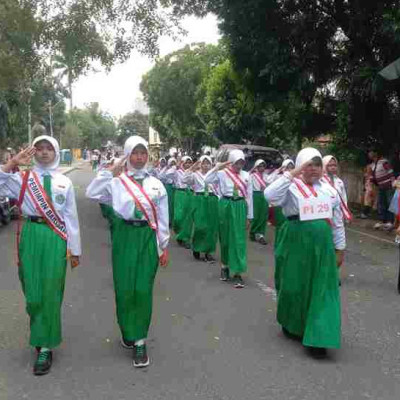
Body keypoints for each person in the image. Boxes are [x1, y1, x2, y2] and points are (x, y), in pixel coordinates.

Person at [0, 135, 81, 375]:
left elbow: (71, 218)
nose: (44, 153)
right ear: (33, 152)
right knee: (33, 292)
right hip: (30, 235)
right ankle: (39, 327)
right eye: (40, 149)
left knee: (50, 290)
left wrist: (75, 250)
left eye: (49, 149)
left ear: (56, 152)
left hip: (55, 237)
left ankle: (45, 346)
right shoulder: (22, 178)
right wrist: (11, 163)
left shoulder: (63, 183)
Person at [86, 136, 169, 368]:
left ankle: (140, 340)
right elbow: (92, 193)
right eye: (135, 153)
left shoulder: (156, 184)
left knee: (142, 289)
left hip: (146, 237)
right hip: (124, 236)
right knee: (124, 288)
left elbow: (163, 218)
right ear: (127, 155)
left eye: (143, 153)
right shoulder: (116, 182)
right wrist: (110, 170)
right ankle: (128, 330)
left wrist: (163, 246)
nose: (140, 157)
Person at [264, 148, 345, 358]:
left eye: (318, 165)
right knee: (294, 285)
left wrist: (340, 247)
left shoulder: (329, 190)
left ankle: (318, 338)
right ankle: (293, 324)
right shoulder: (291, 187)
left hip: (323, 247)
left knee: (323, 288)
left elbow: (337, 222)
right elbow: (269, 195)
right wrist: (292, 173)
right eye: (309, 165)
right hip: (296, 243)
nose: (314, 170)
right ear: (300, 166)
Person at [205, 150, 253, 288]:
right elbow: (207, 180)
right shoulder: (221, 173)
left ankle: (237, 273)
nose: (239, 165)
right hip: (225, 205)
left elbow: (249, 196)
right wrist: (217, 167)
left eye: (241, 162)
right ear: (231, 161)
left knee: (238, 239)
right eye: (236, 162)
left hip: (239, 206)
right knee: (225, 238)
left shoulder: (247, 175)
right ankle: (225, 267)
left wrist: (249, 216)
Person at [183, 155, 219, 263]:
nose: (206, 165)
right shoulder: (195, 174)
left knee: (211, 227)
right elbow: (184, 179)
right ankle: (197, 247)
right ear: (200, 164)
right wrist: (192, 168)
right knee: (200, 226)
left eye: (208, 163)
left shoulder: (215, 175)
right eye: (204, 163)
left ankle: (208, 252)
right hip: (199, 199)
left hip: (212, 199)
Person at [164, 156, 194, 249]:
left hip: (189, 194)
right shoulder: (177, 171)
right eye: (186, 162)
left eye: (190, 162)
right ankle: (179, 233)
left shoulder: (192, 172)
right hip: (179, 193)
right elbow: (167, 174)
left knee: (188, 217)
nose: (188, 164)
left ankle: (185, 239)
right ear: (182, 163)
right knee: (178, 217)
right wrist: (175, 166)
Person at [368, 149, 395, 230]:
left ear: (375, 154)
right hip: (381, 187)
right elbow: (373, 176)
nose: (369, 154)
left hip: (388, 186)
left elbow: (390, 171)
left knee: (389, 203)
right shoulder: (373, 165)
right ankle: (381, 221)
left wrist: (393, 182)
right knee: (381, 203)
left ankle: (390, 222)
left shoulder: (383, 162)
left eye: (370, 152)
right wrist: (371, 182)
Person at [321, 156, 352, 222]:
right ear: (324, 166)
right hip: (325, 214)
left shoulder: (339, 181)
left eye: (334, 165)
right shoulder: (319, 181)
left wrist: (345, 214)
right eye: (330, 165)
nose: (333, 167)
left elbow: (344, 199)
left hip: (338, 215)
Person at [249, 159, 269, 245]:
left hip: (264, 195)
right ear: (256, 167)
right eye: (260, 166)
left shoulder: (266, 175)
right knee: (256, 215)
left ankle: (261, 235)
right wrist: (251, 170)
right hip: (255, 195)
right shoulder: (253, 175)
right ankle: (253, 232)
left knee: (263, 215)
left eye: (263, 166)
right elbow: (246, 178)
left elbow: (271, 182)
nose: (262, 168)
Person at [160, 158, 177, 227]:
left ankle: (173, 221)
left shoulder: (177, 170)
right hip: (168, 188)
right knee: (168, 204)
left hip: (175, 188)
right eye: (171, 162)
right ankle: (168, 221)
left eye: (174, 162)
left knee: (174, 205)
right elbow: (160, 176)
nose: (173, 164)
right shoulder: (166, 170)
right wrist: (167, 167)